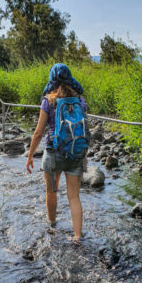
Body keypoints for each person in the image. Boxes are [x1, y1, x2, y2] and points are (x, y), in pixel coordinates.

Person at [26, 63, 87, 244]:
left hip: (53, 155)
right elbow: (83, 131)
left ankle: (52, 226)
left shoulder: (48, 101)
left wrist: (30, 155)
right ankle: (77, 237)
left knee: (51, 191)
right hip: (75, 154)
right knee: (74, 197)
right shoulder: (80, 102)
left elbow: (38, 132)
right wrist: (84, 156)